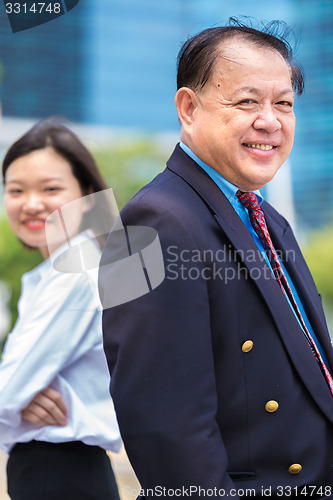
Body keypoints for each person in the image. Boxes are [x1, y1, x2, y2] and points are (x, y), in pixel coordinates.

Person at [100, 20, 333, 498]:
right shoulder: (146, 222)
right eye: (247, 101)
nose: (269, 120)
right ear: (189, 107)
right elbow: (162, 425)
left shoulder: (268, 218)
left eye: (283, 104)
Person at [0, 120, 122, 500]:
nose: (31, 204)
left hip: (60, 473)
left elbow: (9, 389)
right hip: (58, 471)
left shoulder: (77, 272)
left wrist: (12, 392)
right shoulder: (53, 275)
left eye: (50, 189)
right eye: (16, 190)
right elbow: (12, 389)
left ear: (87, 194)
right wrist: (15, 393)